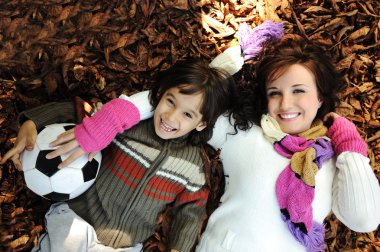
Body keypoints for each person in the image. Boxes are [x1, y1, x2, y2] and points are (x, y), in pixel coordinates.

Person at [38, 33, 380, 251]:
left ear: (321, 97)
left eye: (299, 91)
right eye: (274, 93)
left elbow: (364, 219)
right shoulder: (246, 133)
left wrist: (348, 142)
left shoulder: (335, 161)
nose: (286, 104)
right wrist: (100, 128)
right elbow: (177, 103)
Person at [0, 58, 237, 252]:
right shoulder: (128, 126)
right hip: (77, 222)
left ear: (201, 124)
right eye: (170, 102)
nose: (171, 117)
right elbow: (83, 113)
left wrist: (178, 247)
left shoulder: (192, 166)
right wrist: (33, 122)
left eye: (187, 115)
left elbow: (191, 210)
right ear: (160, 95)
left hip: (126, 246)